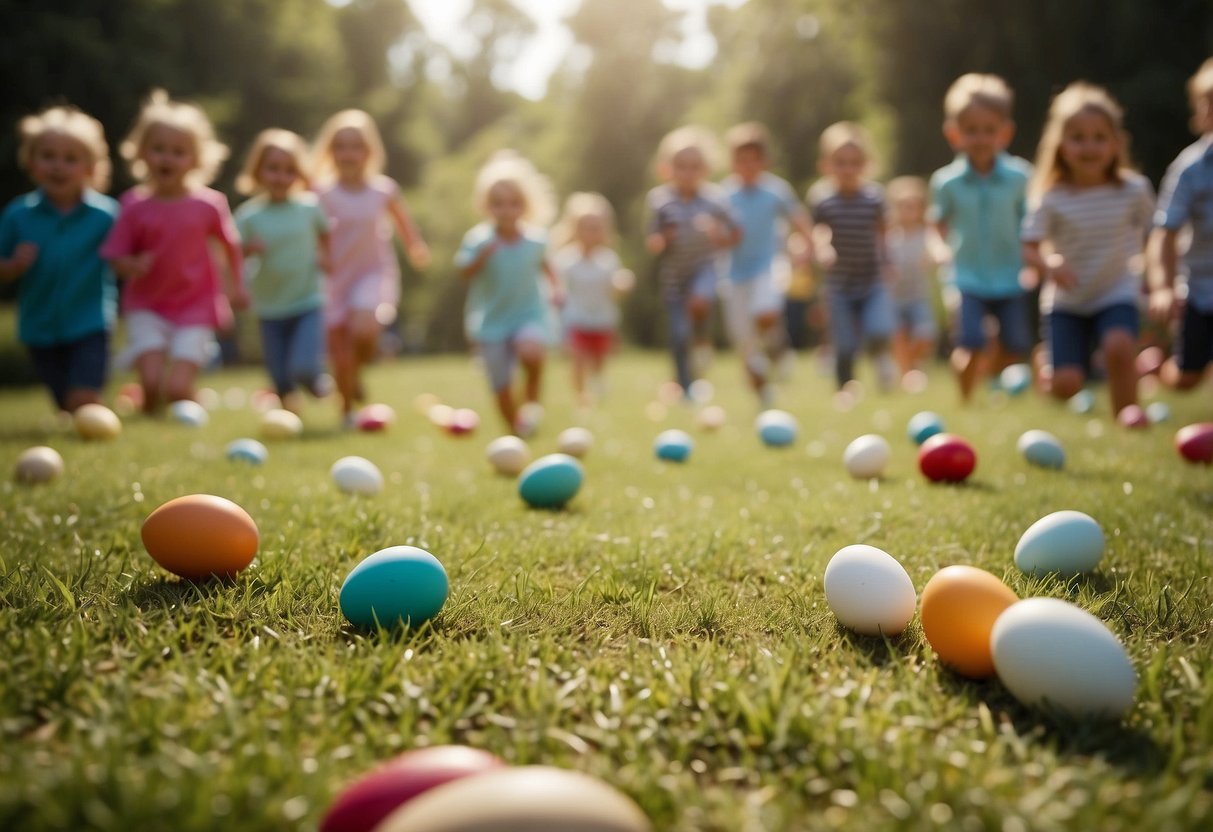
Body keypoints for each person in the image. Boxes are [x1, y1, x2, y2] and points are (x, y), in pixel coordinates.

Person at [100, 90, 246, 413]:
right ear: (141, 153)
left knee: (178, 388)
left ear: (196, 159)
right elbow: (115, 257)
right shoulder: (133, 205)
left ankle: (187, 400)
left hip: (195, 305)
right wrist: (132, 264)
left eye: (178, 151)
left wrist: (236, 288)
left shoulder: (209, 204)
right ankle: (151, 418)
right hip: (147, 306)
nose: (167, 158)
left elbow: (231, 246)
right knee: (151, 386)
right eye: (158, 149)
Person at [1021, 83, 1154, 421]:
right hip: (1067, 300)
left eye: (1099, 137)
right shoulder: (1052, 197)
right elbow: (1029, 247)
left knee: (1120, 347)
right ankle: (1047, 369)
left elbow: (1154, 233)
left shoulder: (1134, 190)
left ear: (1116, 144)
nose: (1089, 146)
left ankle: (1127, 417)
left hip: (1116, 289)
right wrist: (1050, 264)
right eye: (1078, 137)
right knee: (1068, 384)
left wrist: (1152, 276)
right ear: (1062, 147)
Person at [312, 109, 429, 424]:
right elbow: (306, 228)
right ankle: (348, 411)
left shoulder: (383, 189)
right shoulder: (320, 192)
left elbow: (403, 221)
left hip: (372, 274)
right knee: (340, 354)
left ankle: (358, 371)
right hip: (332, 279)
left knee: (365, 330)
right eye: (340, 146)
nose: (348, 153)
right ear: (330, 152)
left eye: (356, 146)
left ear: (369, 152)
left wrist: (415, 247)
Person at [0, 106, 119, 413]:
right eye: (48, 156)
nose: (58, 166)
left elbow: (124, 256)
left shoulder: (106, 216)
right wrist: (13, 265)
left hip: (90, 320)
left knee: (83, 399)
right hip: (39, 325)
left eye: (70, 159)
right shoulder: (18, 214)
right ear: (30, 161)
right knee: (64, 404)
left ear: (90, 167)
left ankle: (93, 412)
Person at [929, 73, 1033, 402]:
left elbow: (1032, 225)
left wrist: (1036, 262)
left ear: (1005, 132)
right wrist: (938, 251)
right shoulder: (947, 182)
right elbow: (937, 226)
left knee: (1016, 346)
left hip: (1010, 276)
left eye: (989, 130)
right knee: (970, 341)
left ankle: (991, 376)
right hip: (966, 276)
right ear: (954, 134)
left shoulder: (1021, 177)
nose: (980, 138)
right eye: (971, 130)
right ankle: (966, 400)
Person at [455, 151, 561, 435]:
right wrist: (482, 258)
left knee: (532, 352)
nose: (506, 210)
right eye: (498, 204)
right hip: (492, 321)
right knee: (500, 385)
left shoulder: (536, 240)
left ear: (525, 206)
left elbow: (547, 266)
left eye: (514, 204)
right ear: (487, 206)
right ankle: (516, 431)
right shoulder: (479, 240)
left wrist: (557, 289)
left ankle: (532, 402)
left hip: (529, 314)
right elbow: (463, 271)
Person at [234, 128, 332, 414]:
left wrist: (326, 256)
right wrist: (248, 250)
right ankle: (290, 417)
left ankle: (314, 378)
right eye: (273, 169)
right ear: (257, 172)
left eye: (290, 170)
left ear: (300, 174)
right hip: (269, 306)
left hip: (307, 300)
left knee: (301, 365)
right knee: (279, 378)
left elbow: (326, 233)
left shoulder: (309, 208)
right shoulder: (249, 215)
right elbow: (233, 252)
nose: (281, 177)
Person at [721, 122, 814, 406]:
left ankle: (777, 347)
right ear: (732, 163)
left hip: (769, 265)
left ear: (765, 162)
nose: (747, 166)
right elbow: (715, 233)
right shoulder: (723, 195)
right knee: (743, 338)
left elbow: (799, 221)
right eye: (741, 160)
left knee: (766, 311)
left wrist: (808, 247)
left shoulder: (776, 191)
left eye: (754, 160)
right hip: (734, 273)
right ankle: (760, 386)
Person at [645, 125, 742, 396]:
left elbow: (736, 232)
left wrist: (717, 235)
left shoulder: (715, 199)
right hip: (674, 278)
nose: (687, 173)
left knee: (699, 302)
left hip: (705, 269)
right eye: (681, 166)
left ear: (706, 169)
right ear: (667, 169)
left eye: (694, 166)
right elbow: (653, 241)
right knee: (677, 335)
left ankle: (702, 339)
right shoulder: (660, 200)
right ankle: (685, 385)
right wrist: (664, 238)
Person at [808, 121, 896, 392]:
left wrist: (888, 261)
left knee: (879, 328)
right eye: (840, 162)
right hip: (839, 284)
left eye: (854, 162)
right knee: (844, 342)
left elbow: (883, 233)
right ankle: (845, 387)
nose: (847, 169)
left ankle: (882, 360)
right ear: (826, 165)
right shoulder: (822, 198)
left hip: (871, 279)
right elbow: (819, 231)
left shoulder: (874, 197)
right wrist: (823, 248)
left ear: (866, 164)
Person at [1150, 57, 1213, 391]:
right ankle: (1162, 373)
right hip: (1201, 291)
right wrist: (1163, 285)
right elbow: (1165, 231)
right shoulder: (1190, 169)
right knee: (1188, 376)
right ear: (1202, 112)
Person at [551, 192, 633, 406]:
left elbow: (614, 288)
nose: (592, 232)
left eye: (597, 227)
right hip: (575, 319)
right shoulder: (566, 259)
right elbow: (558, 290)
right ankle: (581, 396)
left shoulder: (608, 259)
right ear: (575, 229)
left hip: (602, 319)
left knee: (598, 360)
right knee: (578, 359)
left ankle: (597, 389)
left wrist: (622, 285)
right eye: (587, 227)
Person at [885, 175, 946, 386]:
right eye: (902, 206)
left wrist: (937, 257)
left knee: (926, 336)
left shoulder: (925, 234)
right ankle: (906, 377)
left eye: (912, 206)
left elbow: (937, 247)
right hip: (894, 297)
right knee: (898, 337)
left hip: (919, 296)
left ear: (921, 209)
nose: (908, 211)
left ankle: (910, 366)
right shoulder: (891, 236)